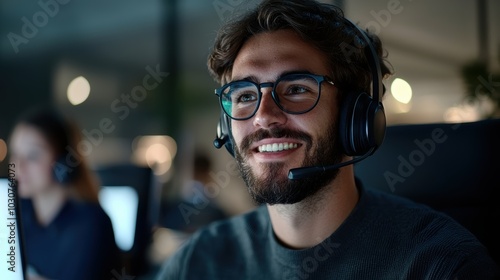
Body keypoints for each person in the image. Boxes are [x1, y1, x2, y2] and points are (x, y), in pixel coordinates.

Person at [156, 0, 500, 279]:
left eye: (296, 89)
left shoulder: (440, 265)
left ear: (355, 115)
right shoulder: (197, 262)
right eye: (244, 95)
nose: (263, 116)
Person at [9, 106, 121, 280]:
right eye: (15, 154)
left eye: (32, 156)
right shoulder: (19, 213)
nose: (18, 166)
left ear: (63, 163)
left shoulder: (91, 224)